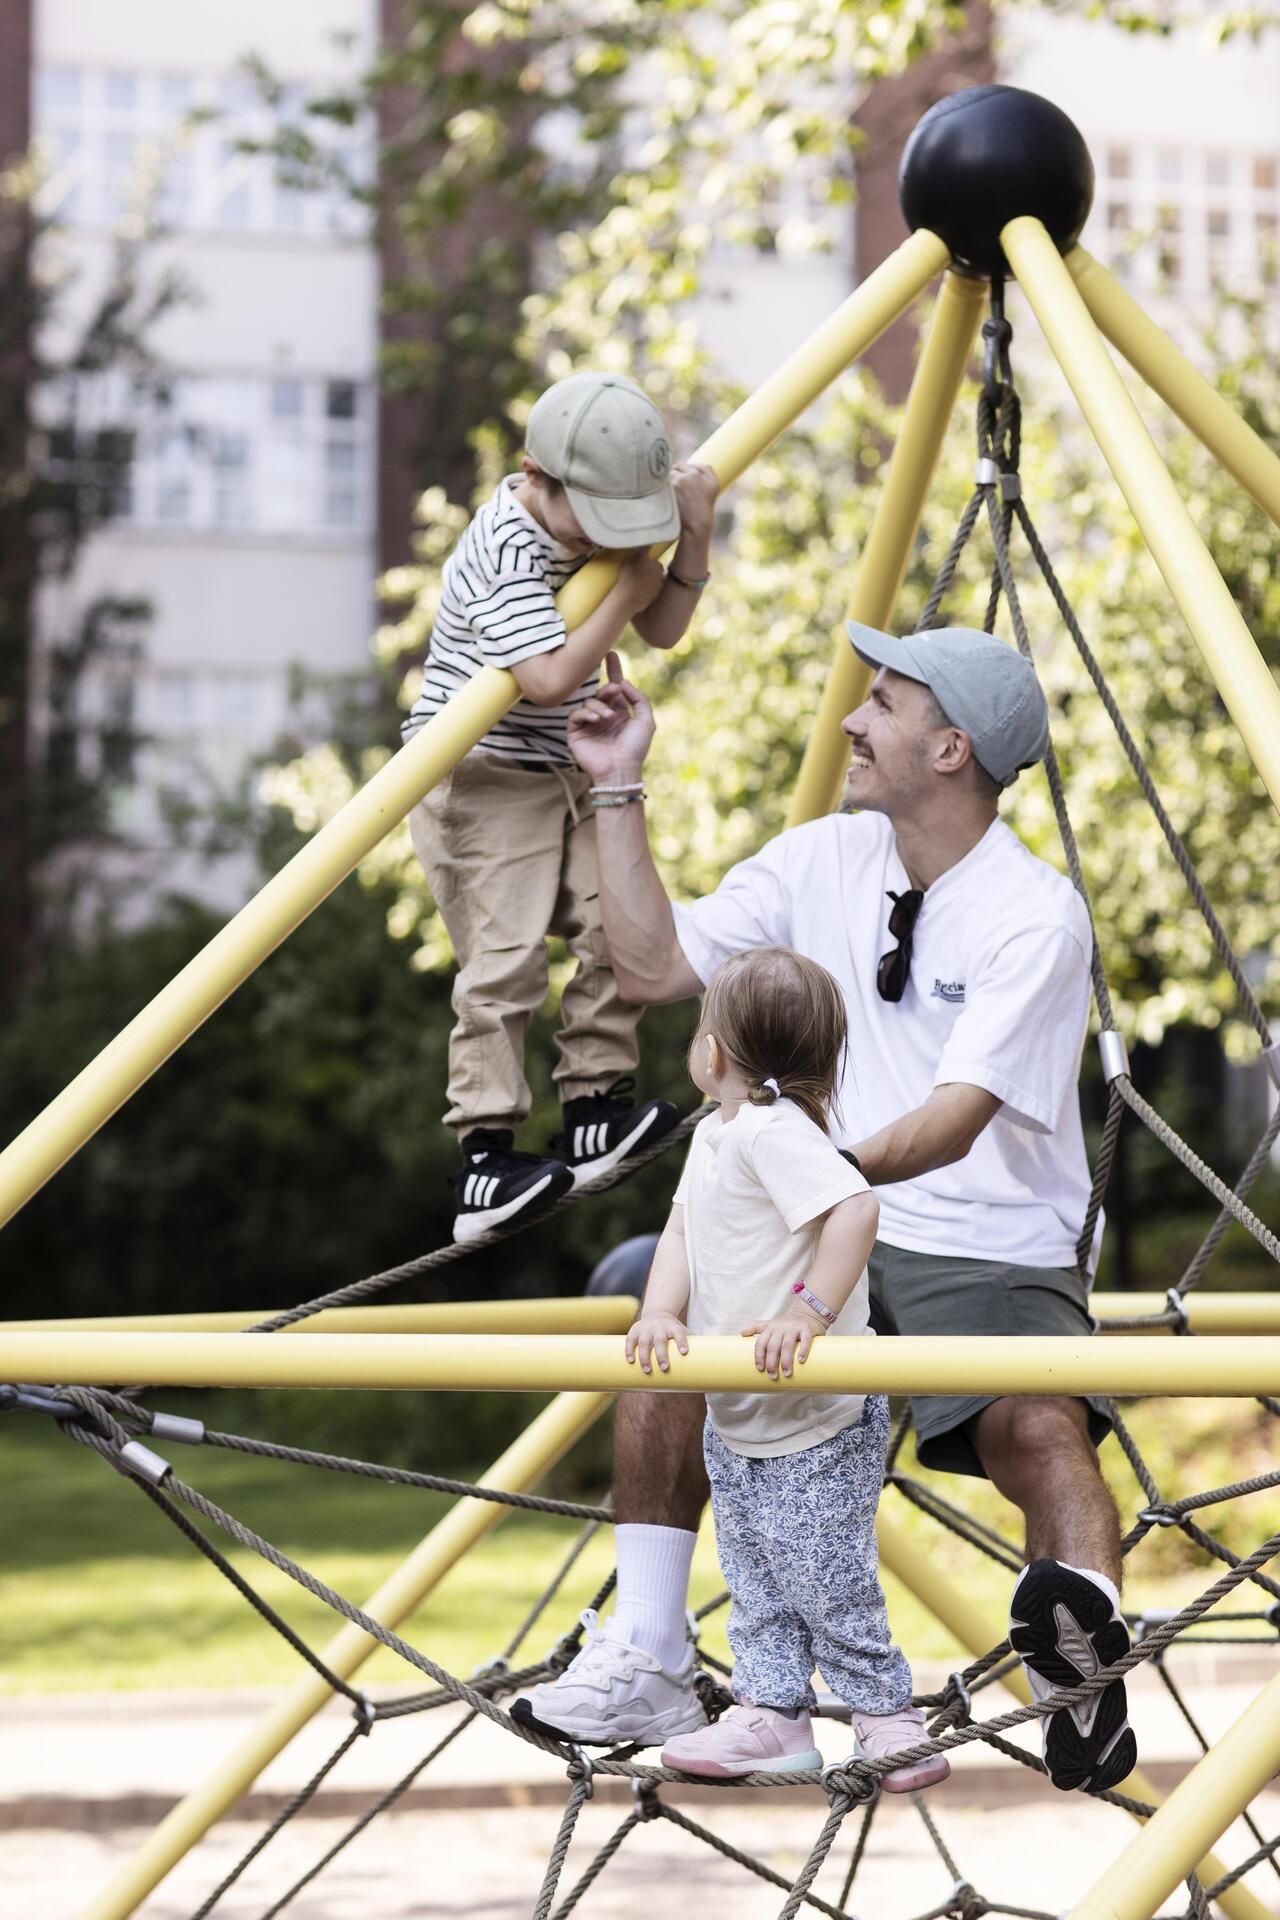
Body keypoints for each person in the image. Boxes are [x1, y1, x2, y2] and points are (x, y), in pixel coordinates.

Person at [515, 622, 1136, 1797]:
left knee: (1037, 1425)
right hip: (821, 1214)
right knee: (671, 1338)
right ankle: (648, 1645)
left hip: (975, 1237)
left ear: (949, 750)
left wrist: (800, 1171)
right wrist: (617, 788)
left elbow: (953, 1120)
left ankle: (1082, 1654)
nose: (851, 720)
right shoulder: (824, 858)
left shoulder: (1031, 914)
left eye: (884, 705)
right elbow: (652, 968)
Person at [402, 370, 719, 1241]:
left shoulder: (600, 518)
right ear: (538, 477)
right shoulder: (501, 548)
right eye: (605, 522)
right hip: (482, 777)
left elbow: (661, 628)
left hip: (566, 771)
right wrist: (628, 583)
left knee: (617, 924)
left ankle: (594, 1105)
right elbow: (544, 679)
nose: (618, 541)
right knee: (503, 962)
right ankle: (486, 1154)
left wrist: (693, 538)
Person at [629, 947, 950, 1788]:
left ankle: (888, 1716)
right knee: (757, 1574)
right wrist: (660, 1310)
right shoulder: (715, 1137)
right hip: (740, 1414)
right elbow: (684, 1235)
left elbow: (856, 1204)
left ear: (716, 1055)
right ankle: (772, 1713)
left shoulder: (775, 1132)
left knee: (823, 1573)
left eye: (701, 1028)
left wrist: (808, 1311)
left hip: (816, 1412)